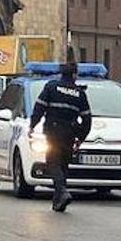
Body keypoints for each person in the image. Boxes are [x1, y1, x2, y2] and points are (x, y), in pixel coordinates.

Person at [29, 61, 91, 212]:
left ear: (61, 74)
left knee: (53, 162)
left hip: (53, 131)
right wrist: (80, 138)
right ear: (75, 75)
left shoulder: (51, 87)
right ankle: (58, 201)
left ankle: (62, 192)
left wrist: (32, 125)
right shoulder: (80, 93)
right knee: (63, 164)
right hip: (70, 133)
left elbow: (39, 108)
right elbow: (87, 119)